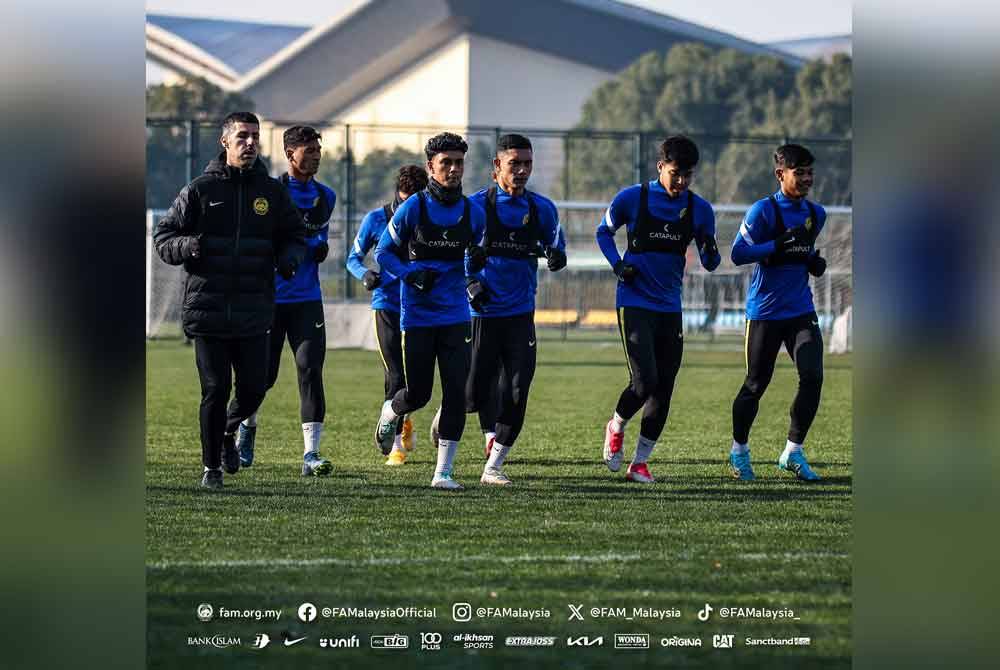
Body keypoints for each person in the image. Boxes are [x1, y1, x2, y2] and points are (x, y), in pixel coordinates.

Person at [153, 112, 307, 489]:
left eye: (255, 136)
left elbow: (295, 236)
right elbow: (163, 237)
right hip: (207, 310)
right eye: (242, 136)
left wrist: (289, 258)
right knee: (216, 389)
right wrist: (187, 246)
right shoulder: (200, 190)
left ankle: (228, 431)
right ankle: (212, 469)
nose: (250, 143)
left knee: (255, 388)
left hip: (254, 309)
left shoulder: (271, 192)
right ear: (226, 142)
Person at [596, 135, 721, 483]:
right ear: (660, 166)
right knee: (644, 380)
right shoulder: (632, 198)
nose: (681, 182)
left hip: (670, 306)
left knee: (664, 385)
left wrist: (710, 246)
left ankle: (640, 463)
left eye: (688, 175)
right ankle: (616, 425)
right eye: (676, 173)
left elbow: (711, 263)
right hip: (634, 301)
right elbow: (603, 232)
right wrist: (618, 266)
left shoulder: (700, 209)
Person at [372, 132, 487, 490]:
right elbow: (383, 252)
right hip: (417, 318)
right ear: (430, 168)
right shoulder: (414, 208)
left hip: (455, 316)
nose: (453, 170)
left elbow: (475, 260)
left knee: (456, 391)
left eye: (459, 163)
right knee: (418, 394)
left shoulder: (474, 213)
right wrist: (409, 273)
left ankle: (443, 473)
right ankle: (392, 410)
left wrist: (475, 276)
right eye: (446, 163)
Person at [461, 133, 566, 485]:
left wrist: (556, 258)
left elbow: (556, 249)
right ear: (496, 166)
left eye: (528, 164)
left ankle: (494, 465)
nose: (522, 171)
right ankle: (452, 408)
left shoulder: (542, 209)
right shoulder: (475, 208)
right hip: (482, 315)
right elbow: (454, 255)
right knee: (474, 393)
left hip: (521, 314)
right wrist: (470, 282)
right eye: (514, 164)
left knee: (518, 390)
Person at [235, 125, 337, 477]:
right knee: (263, 378)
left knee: (310, 369)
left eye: (317, 150)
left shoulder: (327, 196)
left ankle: (311, 454)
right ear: (289, 153)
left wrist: (320, 249)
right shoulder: (271, 192)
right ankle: (246, 427)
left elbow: (317, 239)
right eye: (308, 151)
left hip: (308, 299)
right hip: (270, 299)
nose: (315, 156)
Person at [728, 144, 828, 481]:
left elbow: (804, 252)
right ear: (780, 174)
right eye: (799, 172)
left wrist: (812, 261)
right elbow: (738, 254)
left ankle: (792, 452)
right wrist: (775, 246)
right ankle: (739, 451)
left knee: (813, 375)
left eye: (810, 172)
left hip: (801, 310)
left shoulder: (817, 214)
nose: (806, 179)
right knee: (756, 384)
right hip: (765, 313)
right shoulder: (763, 211)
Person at [346, 164, 429, 466]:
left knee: (419, 379)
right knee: (394, 374)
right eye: (404, 201)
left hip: (420, 307)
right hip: (387, 305)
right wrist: (365, 274)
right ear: (397, 193)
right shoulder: (375, 219)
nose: (408, 209)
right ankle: (396, 445)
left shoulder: (429, 218)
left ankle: (404, 419)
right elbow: (352, 258)